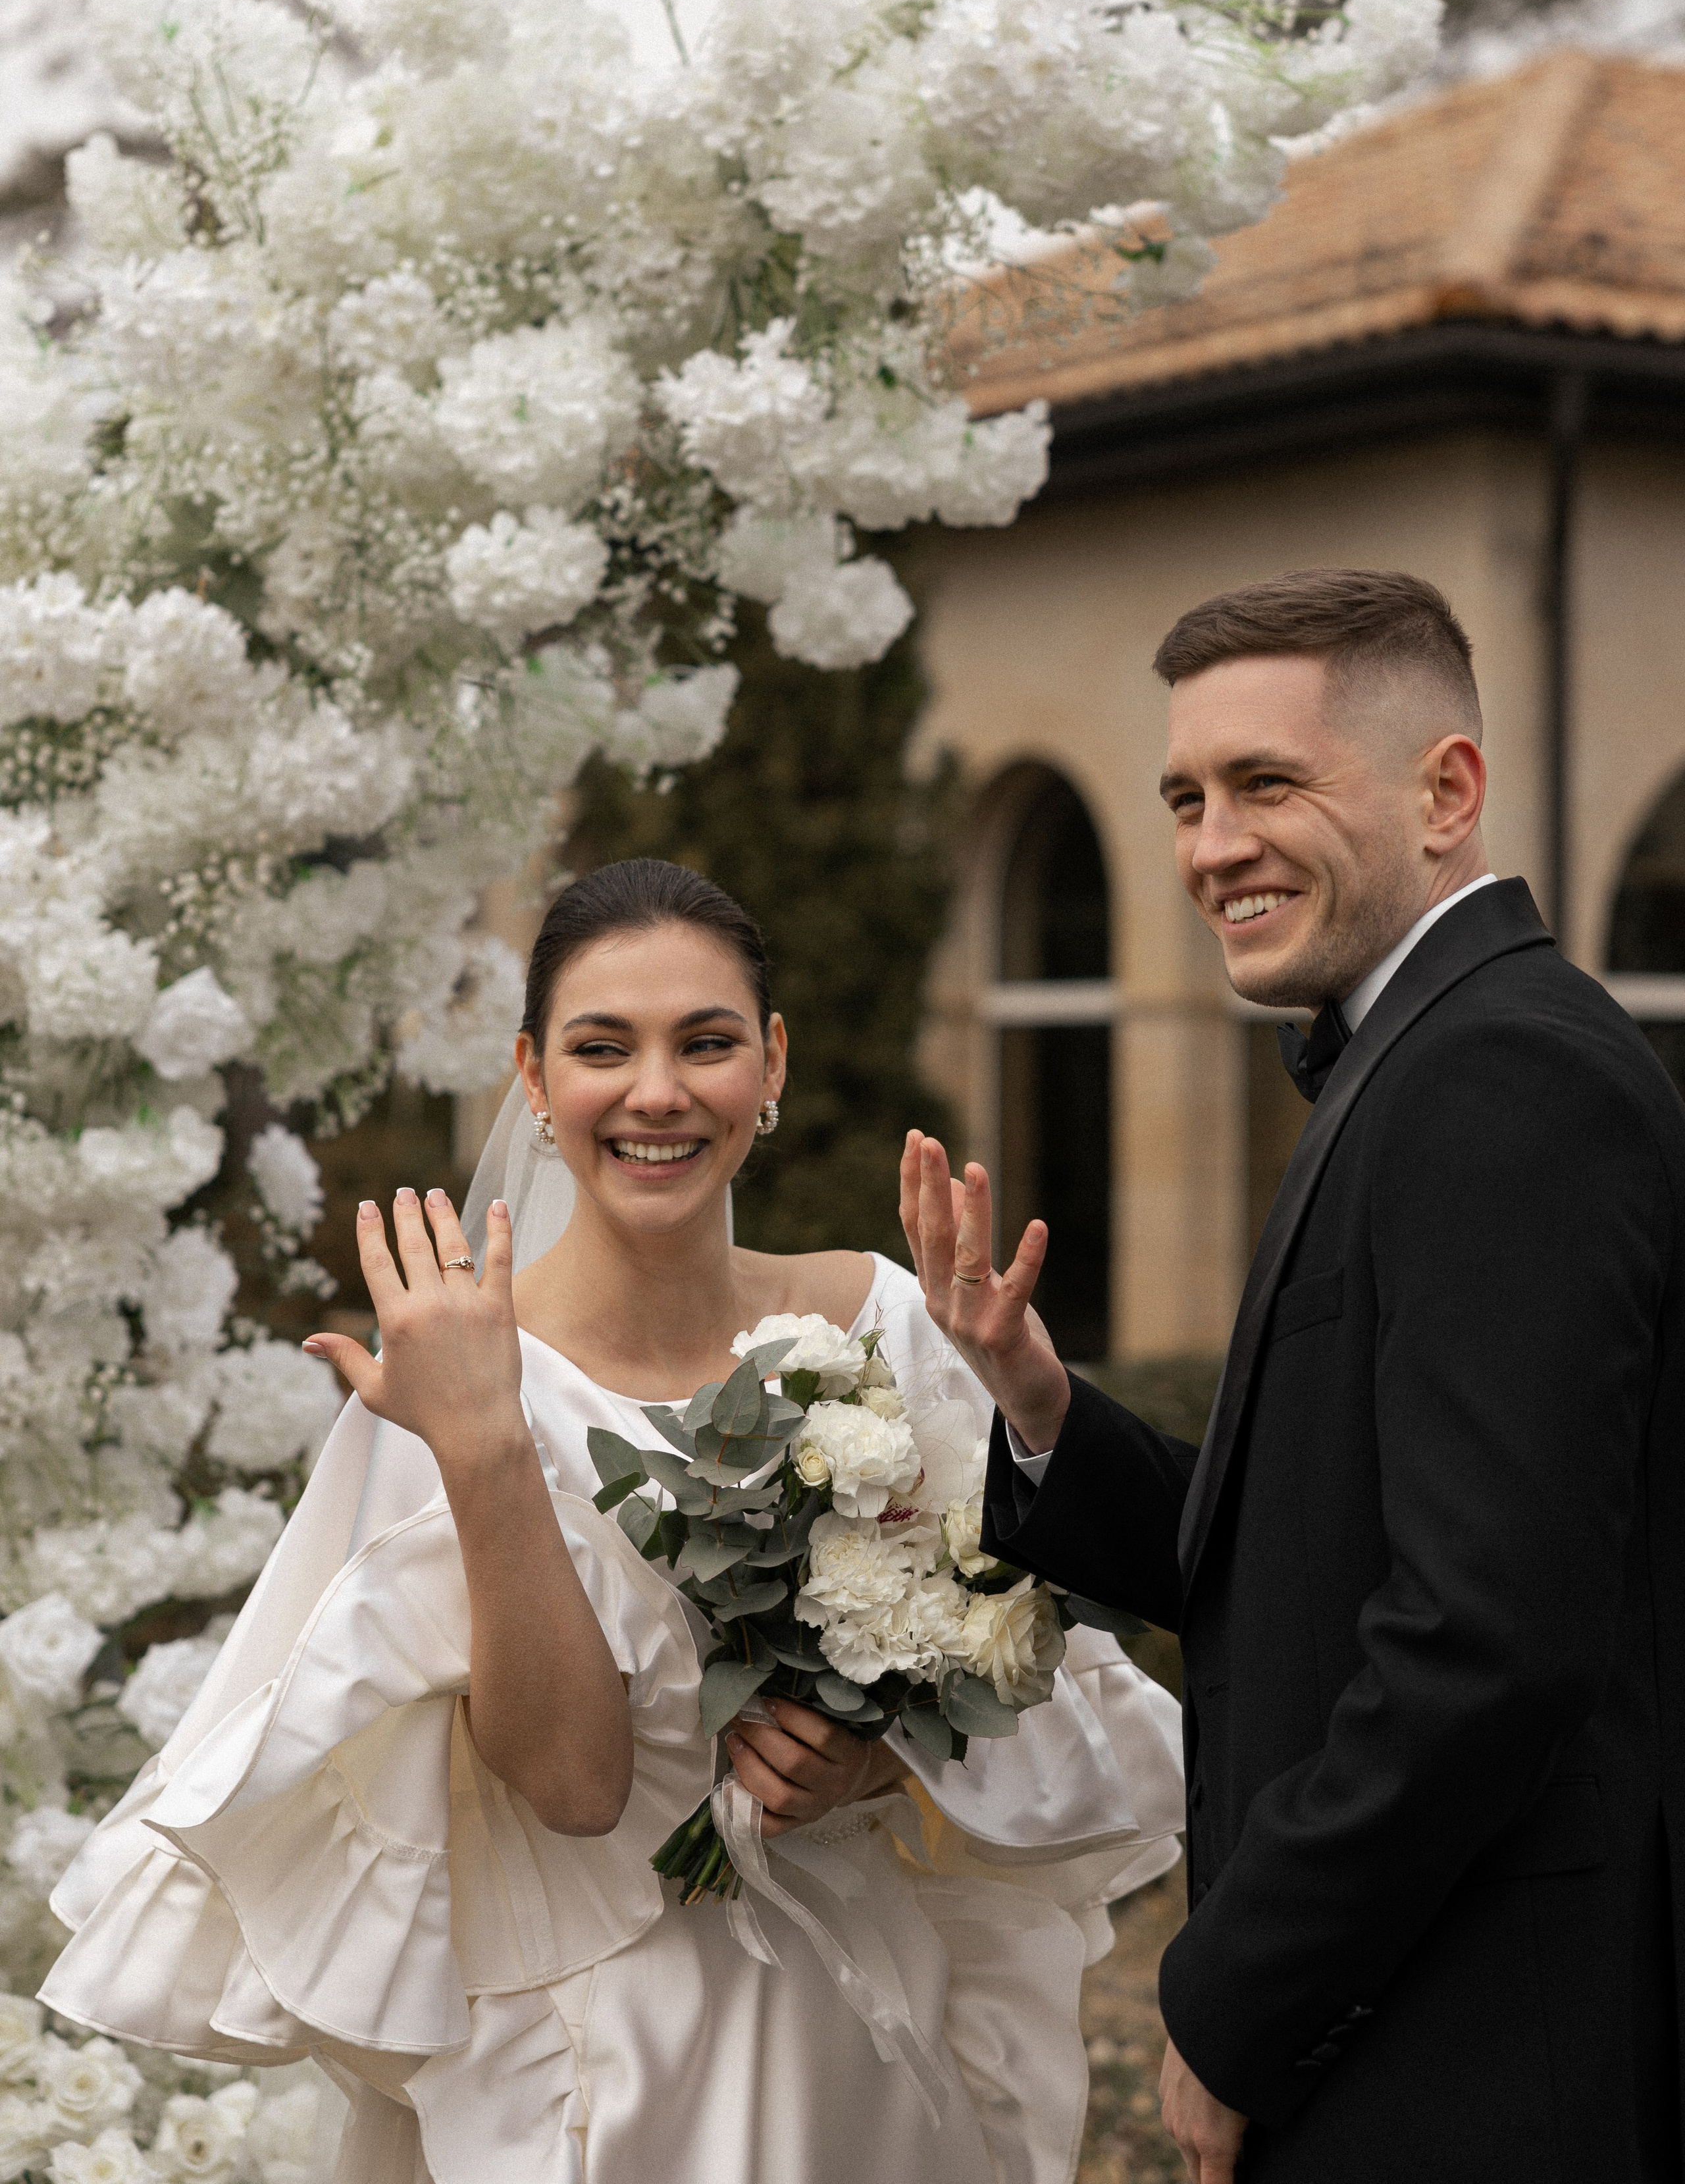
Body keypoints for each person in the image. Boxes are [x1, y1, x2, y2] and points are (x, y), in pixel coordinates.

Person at [42, 857, 1185, 2184]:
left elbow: (1022, 1668)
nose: (657, 1091)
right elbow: (575, 1785)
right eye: (602, 1047)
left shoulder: (887, 1320)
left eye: (705, 1042)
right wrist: (484, 1440)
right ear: (532, 1076)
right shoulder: (455, 1372)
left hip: (860, 2042)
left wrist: (877, 1764)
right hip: (604, 2078)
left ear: (770, 1062)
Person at [902, 569, 1684, 2184]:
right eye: (1184, 797)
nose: (1209, 846)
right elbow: (1319, 1556)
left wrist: (1236, 1999)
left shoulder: (1499, 1074)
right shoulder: (1415, 1055)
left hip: (1474, 2050)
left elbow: (1481, 1638)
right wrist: (1040, 1403)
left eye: (1265, 783)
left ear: (1444, 792)